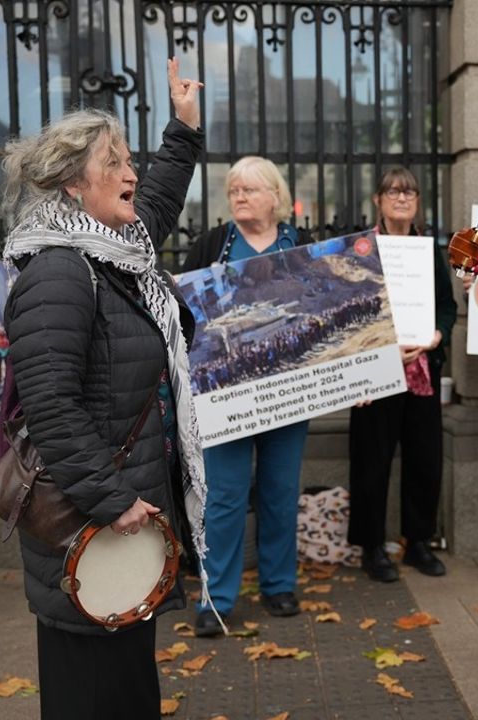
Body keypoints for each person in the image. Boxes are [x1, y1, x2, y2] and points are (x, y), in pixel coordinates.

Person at [0, 58, 205, 719]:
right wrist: (114, 501)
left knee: (125, 685)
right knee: (90, 693)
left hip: (121, 518)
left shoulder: (116, 253)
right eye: (113, 164)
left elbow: (157, 200)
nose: (131, 174)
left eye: (129, 161)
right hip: (92, 522)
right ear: (71, 183)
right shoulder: (60, 272)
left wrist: (184, 128)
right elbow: (52, 409)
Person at [180, 156, 315, 637]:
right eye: (234, 189)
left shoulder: (301, 244)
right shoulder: (212, 244)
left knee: (280, 492)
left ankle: (279, 585)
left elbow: (325, 304)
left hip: (288, 393)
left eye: (249, 189)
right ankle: (216, 598)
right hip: (226, 397)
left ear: (275, 196)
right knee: (224, 498)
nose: (238, 196)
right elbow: (183, 309)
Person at [348, 168, 455, 582]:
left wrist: (436, 335)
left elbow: (446, 306)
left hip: (421, 371)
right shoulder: (362, 249)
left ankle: (419, 542)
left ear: (418, 201)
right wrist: (381, 345)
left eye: (409, 191)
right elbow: (350, 312)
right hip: (375, 371)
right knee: (371, 462)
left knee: (424, 460)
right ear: (378, 200)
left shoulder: (429, 250)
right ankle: (372, 547)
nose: (401, 198)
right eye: (393, 191)